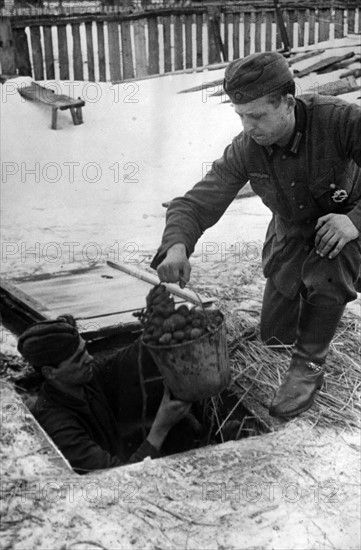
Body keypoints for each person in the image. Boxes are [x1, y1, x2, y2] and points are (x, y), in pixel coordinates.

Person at [150, 51, 361, 419]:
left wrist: (356, 218)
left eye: (257, 115)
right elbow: (195, 204)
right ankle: (312, 321)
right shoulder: (248, 148)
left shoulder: (340, 120)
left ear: (288, 104)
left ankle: (309, 366)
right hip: (293, 237)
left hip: (346, 228)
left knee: (331, 259)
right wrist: (177, 246)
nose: (248, 126)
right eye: (241, 116)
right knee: (274, 339)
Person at [17, 316, 191, 474]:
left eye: (85, 349)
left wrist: (155, 333)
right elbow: (122, 479)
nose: (90, 358)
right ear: (50, 372)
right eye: (78, 358)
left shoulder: (83, 379)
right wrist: (160, 428)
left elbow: (124, 362)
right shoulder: (59, 428)